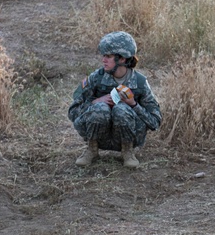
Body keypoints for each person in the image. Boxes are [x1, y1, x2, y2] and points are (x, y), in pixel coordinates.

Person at [69, 31, 162, 169]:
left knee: (121, 109)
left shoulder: (140, 82)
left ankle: (128, 152)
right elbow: (72, 112)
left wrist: (133, 105)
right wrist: (96, 102)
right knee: (100, 108)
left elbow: (155, 121)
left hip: (130, 134)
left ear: (122, 59)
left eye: (108, 56)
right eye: (103, 56)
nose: (103, 60)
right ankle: (92, 150)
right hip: (100, 135)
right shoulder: (96, 78)